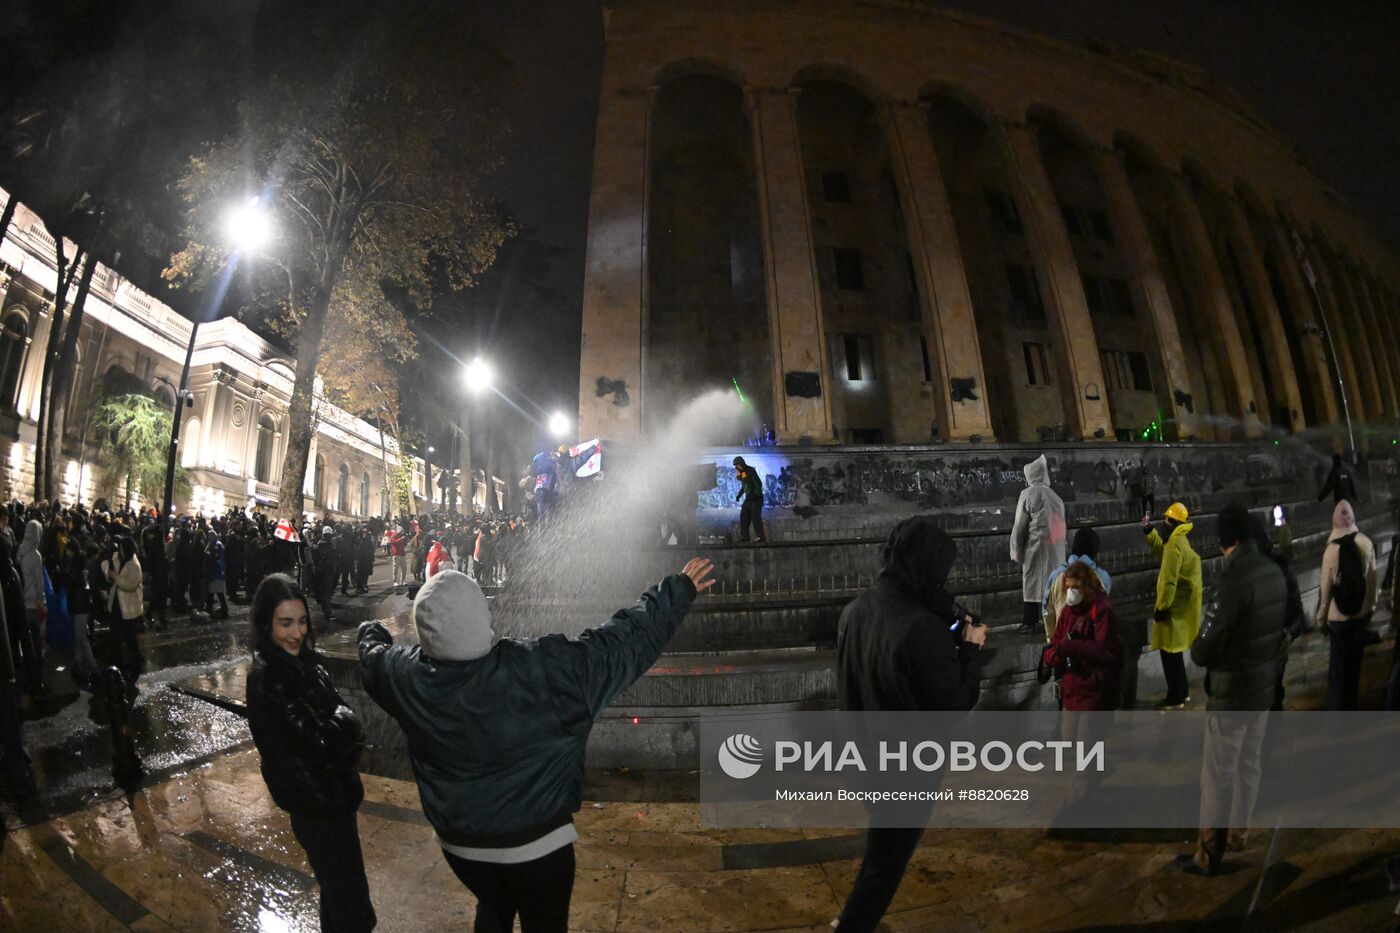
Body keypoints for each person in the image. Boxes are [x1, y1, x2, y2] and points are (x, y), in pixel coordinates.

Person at [359, 559, 715, 933]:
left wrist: (372, 630)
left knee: (493, 905)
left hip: (461, 847)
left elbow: (371, 660)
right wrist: (678, 590)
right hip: (538, 848)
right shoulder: (546, 673)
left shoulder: (404, 677)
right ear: (482, 618)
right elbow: (621, 643)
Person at [834, 516, 987, 932]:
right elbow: (953, 705)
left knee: (880, 851)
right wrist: (970, 654)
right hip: (905, 772)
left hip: (862, 755)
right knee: (885, 867)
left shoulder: (855, 610)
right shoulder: (921, 628)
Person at [245, 574, 376, 933]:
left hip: (331, 798)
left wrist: (339, 725)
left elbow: (336, 723)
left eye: (301, 621)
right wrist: (345, 724)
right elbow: (321, 745)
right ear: (265, 623)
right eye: (285, 623)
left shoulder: (304, 663)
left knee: (339, 898)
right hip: (316, 806)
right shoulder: (270, 678)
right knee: (354, 911)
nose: (297, 632)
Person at [1174, 503, 1288, 876]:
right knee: (1249, 765)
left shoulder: (1234, 579)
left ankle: (1208, 854)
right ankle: (1239, 834)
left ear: (1227, 540)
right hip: (1262, 691)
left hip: (1232, 695)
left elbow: (1205, 649)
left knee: (1218, 776)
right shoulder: (1273, 571)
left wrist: (1201, 644)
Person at [1315, 499, 1376, 711]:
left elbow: (1325, 592)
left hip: (1338, 620)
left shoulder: (1331, 550)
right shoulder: (1366, 543)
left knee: (1338, 671)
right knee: (1354, 669)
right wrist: (1370, 610)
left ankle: (1336, 723)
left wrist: (1321, 620)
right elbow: (1372, 583)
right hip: (1360, 617)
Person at [1142, 502, 1202, 709]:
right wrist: (1150, 532)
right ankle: (1182, 692)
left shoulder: (1175, 544)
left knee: (1169, 654)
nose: (1164, 522)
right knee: (1173, 652)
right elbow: (1163, 550)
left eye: (1167, 519)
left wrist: (1161, 607)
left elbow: (1169, 581)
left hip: (1172, 609)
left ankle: (1175, 696)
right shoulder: (1178, 540)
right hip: (1179, 607)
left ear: (1173, 522)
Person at [1042, 560, 1122, 711]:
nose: (1072, 592)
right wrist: (1053, 654)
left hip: (1093, 691)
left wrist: (1072, 646)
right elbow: (1056, 640)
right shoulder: (1067, 611)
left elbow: (1104, 650)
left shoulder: (1101, 610)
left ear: (1087, 586)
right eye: (1068, 587)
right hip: (1071, 690)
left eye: (1076, 587)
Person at [1011, 455, 1066, 634]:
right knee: (1051, 584)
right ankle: (1052, 620)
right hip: (1055, 549)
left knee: (1031, 583)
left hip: (1034, 547)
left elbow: (1019, 526)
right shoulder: (1056, 497)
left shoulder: (1027, 494)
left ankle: (1030, 621)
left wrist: (1016, 550)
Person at [1040, 527, 1112, 642]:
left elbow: (1047, 612)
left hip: (1063, 643)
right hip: (1092, 645)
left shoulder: (1055, 576)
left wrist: (1052, 641)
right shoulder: (1102, 577)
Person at [103, 537, 145, 691]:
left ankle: (123, 662)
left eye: (121, 548)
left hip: (127, 607)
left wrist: (116, 577)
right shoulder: (123, 560)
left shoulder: (134, 564)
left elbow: (130, 585)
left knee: (123, 635)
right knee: (126, 636)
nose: (119, 551)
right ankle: (134, 660)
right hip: (119, 605)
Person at [16, 519, 46, 697]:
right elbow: (40, 583)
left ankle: (25, 675)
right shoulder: (35, 555)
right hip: (33, 604)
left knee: (25, 643)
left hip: (22, 602)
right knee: (36, 642)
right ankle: (36, 680)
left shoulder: (20, 550)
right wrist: (41, 601)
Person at [732, 455, 766, 544]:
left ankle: (760, 536)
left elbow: (758, 483)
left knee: (755, 517)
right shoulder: (743, 472)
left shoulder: (751, 471)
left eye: (738, 465)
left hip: (756, 498)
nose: (737, 468)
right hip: (748, 498)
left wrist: (756, 493)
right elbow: (744, 485)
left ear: (741, 463)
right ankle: (745, 536)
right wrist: (739, 495)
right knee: (744, 515)